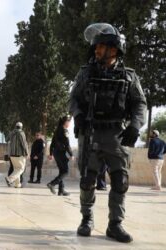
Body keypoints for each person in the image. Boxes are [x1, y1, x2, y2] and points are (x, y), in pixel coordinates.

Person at [71, 23, 147, 243]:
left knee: (120, 181)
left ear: (114, 49)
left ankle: (115, 224)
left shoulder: (129, 77)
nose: (96, 50)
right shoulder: (86, 73)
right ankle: (86, 219)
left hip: (117, 135)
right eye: (96, 47)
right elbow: (73, 98)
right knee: (87, 180)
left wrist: (135, 126)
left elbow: (140, 103)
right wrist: (77, 115)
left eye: (101, 47)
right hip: (91, 132)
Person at [47, 115, 73, 196]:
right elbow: (67, 144)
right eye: (69, 122)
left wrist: (51, 153)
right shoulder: (64, 131)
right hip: (61, 153)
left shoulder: (57, 130)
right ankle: (52, 184)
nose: (69, 123)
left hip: (56, 152)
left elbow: (52, 143)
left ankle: (61, 190)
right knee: (65, 171)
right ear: (65, 122)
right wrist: (71, 154)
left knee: (61, 171)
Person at [5, 122, 29, 188]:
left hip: (12, 154)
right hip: (19, 154)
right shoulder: (21, 133)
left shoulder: (11, 133)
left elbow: (6, 140)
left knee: (16, 169)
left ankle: (17, 184)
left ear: (15, 126)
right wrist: (27, 153)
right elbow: (24, 144)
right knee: (21, 169)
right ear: (21, 127)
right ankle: (9, 179)